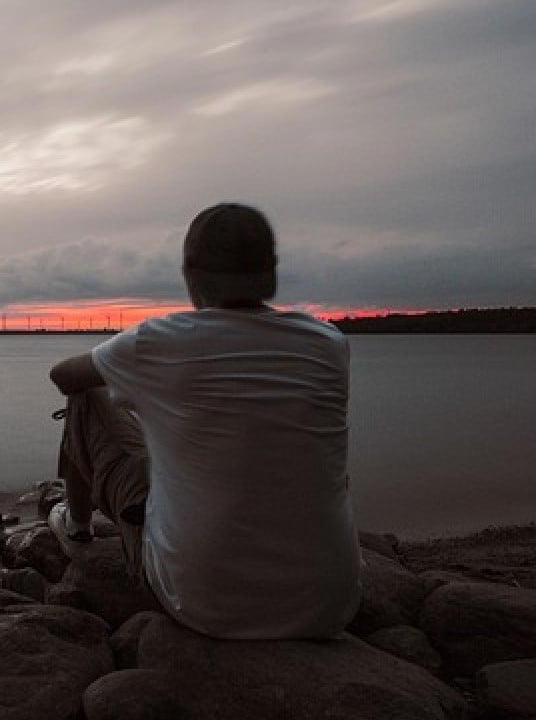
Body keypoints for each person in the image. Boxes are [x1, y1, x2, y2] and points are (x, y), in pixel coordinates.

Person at [47, 202, 362, 640]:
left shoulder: (159, 343)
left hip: (203, 601)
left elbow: (62, 376)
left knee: (85, 398)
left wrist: (135, 386)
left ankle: (76, 528)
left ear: (190, 274)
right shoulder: (328, 344)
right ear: (270, 273)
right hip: (327, 604)